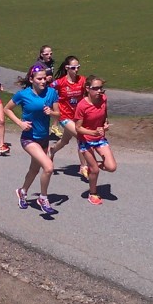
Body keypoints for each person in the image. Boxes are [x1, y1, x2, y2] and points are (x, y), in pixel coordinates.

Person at [5, 64, 60, 215]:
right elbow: (6, 109)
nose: (43, 81)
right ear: (31, 79)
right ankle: (43, 197)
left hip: (44, 138)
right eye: (39, 79)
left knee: (34, 170)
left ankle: (22, 192)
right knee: (48, 167)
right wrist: (20, 123)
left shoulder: (52, 93)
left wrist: (51, 113)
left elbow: (59, 114)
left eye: (45, 78)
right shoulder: (23, 95)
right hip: (29, 139)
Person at [74, 75, 117, 205]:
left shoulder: (103, 98)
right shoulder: (82, 106)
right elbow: (78, 128)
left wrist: (105, 124)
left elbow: (105, 115)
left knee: (111, 167)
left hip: (100, 138)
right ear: (88, 89)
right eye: (96, 88)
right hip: (86, 140)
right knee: (96, 170)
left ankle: (88, 167)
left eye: (101, 88)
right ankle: (92, 193)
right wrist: (93, 132)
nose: (99, 91)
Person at [48, 55, 89, 179]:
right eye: (73, 67)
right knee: (81, 136)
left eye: (78, 67)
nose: (76, 70)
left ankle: (52, 150)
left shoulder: (82, 80)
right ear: (67, 68)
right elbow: (47, 91)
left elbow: (88, 94)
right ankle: (83, 167)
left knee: (65, 141)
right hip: (64, 116)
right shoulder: (60, 82)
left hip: (78, 116)